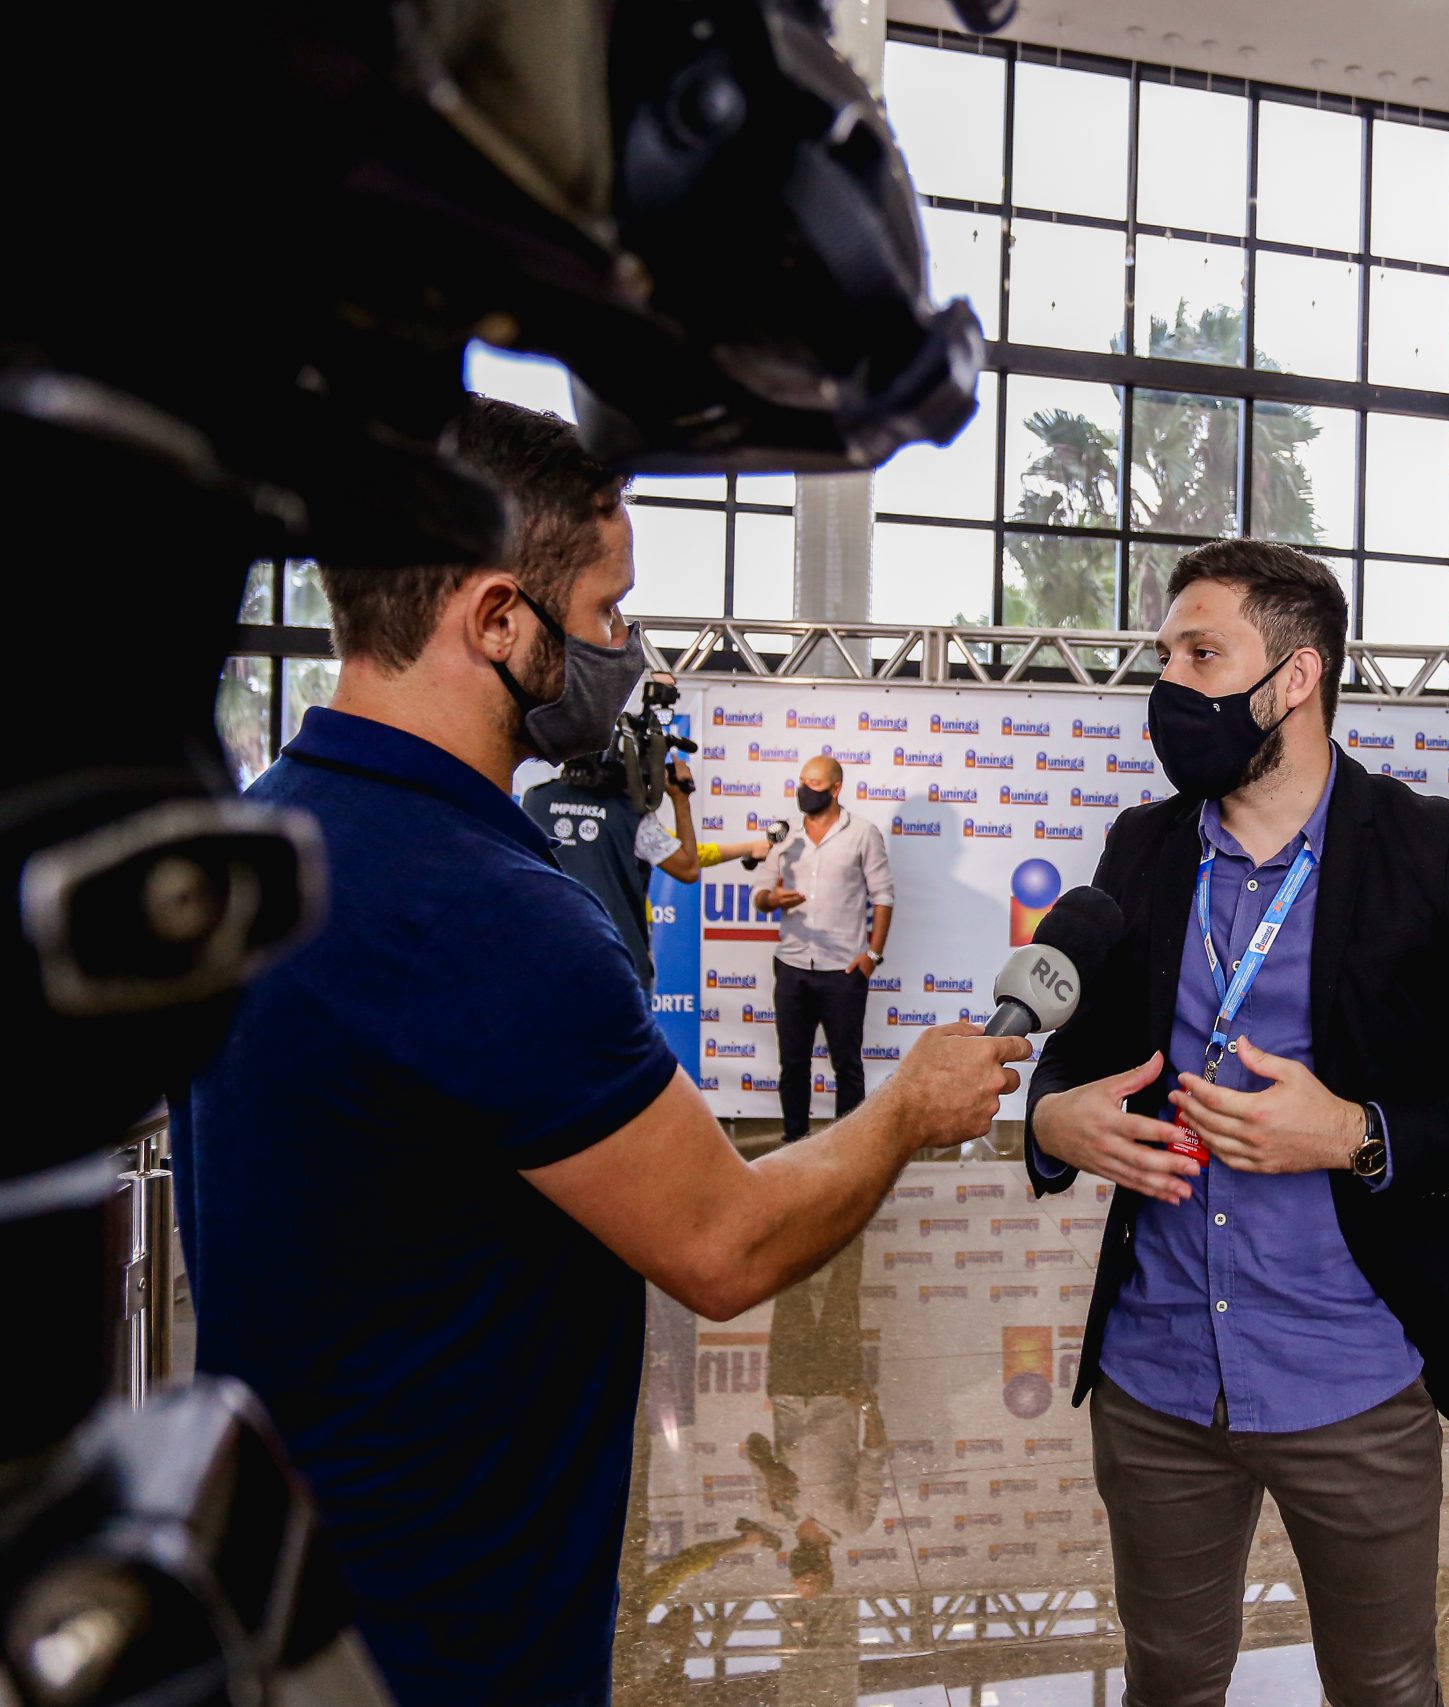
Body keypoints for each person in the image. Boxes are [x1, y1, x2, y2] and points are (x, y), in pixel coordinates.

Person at [170, 397, 1027, 1707]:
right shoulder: (491, 911)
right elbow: (726, 1245)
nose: (626, 649)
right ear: (497, 619)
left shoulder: (262, 838)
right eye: (609, 611)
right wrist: (910, 1102)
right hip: (454, 1634)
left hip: (288, 1592)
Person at [1022, 539, 1449, 1707]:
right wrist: (1052, 1120)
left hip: (1353, 1376)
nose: (1166, 684)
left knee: (1384, 1686)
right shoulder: (1142, 846)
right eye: (1163, 656)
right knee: (1168, 1681)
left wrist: (1352, 1136)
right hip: (1154, 1378)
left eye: (1199, 654)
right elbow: (1078, 1056)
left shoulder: (1438, 851)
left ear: (1295, 676)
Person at [523, 675, 772, 988]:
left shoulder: (535, 800)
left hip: (546, 956)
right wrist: (680, 798)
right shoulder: (630, 813)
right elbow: (687, 866)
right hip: (617, 962)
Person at [755, 751, 894, 1141]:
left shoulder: (862, 833)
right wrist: (771, 899)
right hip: (792, 966)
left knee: (847, 1066)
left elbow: (883, 896)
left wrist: (871, 956)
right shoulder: (784, 835)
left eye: (813, 784)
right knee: (793, 1064)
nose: (804, 790)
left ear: (835, 789)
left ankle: (849, 1147)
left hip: (843, 971)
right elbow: (760, 893)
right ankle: (794, 1142)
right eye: (801, 782)